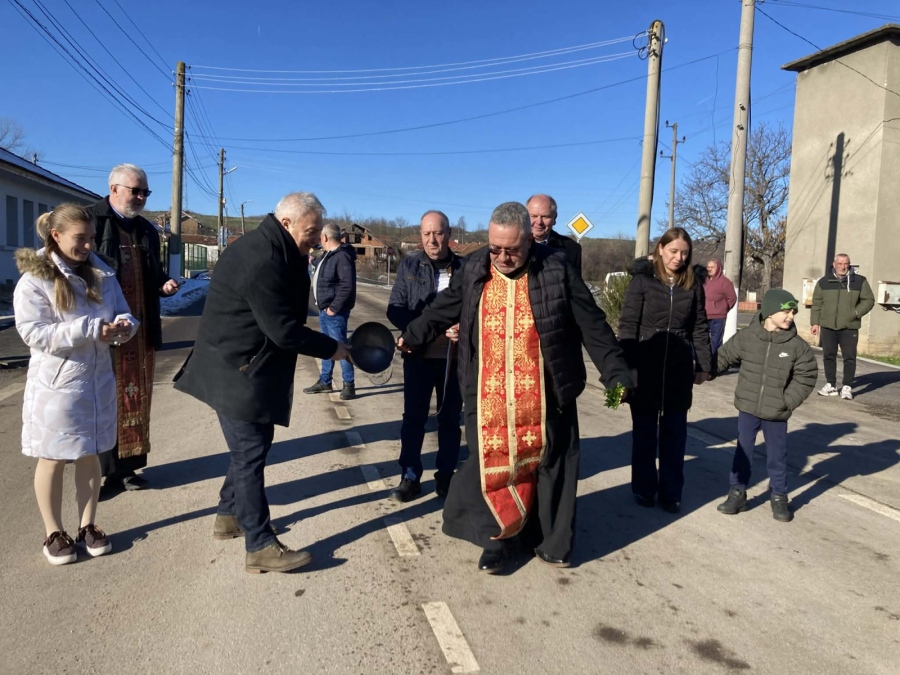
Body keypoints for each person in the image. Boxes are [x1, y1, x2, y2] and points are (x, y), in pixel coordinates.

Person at [399, 202, 632, 573]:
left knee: (549, 466)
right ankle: (498, 540)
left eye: (512, 249)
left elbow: (592, 324)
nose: (503, 257)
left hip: (546, 391)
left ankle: (550, 541)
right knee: (493, 467)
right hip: (489, 393)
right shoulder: (475, 266)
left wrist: (616, 373)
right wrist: (412, 336)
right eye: (495, 248)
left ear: (530, 241)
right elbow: (445, 307)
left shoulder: (556, 268)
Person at [174, 192, 350, 574]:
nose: (316, 238)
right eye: (311, 230)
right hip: (234, 369)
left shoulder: (277, 247)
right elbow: (284, 331)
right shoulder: (263, 258)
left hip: (245, 366)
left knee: (251, 448)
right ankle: (260, 544)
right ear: (286, 223)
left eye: (319, 231)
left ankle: (228, 516)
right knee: (250, 453)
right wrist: (333, 348)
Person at [14, 205, 139, 565]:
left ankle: (88, 525)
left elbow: (124, 312)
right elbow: (32, 333)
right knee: (52, 457)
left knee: (91, 452)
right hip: (57, 387)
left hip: (98, 381)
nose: (87, 246)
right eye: (79, 239)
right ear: (56, 236)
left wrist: (125, 327)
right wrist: (89, 328)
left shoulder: (102, 272)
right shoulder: (35, 279)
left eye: (90, 238)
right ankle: (53, 531)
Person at [89, 164, 179, 497]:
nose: (140, 197)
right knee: (105, 401)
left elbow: (152, 273)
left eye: (145, 192)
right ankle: (103, 472)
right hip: (104, 331)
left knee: (137, 398)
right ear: (114, 188)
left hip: (140, 332)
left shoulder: (147, 230)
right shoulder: (92, 222)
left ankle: (129, 469)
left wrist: (163, 285)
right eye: (135, 191)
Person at [618, 228, 712, 514]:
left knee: (675, 434)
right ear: (660, 249)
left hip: (679, 367)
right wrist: (626, 366)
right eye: (673, 251)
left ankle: (672, 492)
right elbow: (628, 325)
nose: (678, 258)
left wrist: (704, 364)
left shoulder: (693, 284)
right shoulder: (643, 281)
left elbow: (699, 326)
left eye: (684, 253)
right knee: (645, 433)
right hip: (646, 364)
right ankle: (644, 488)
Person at [716, 290, 818, 522]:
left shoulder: (796, 346)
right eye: (785, 310)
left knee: (777, 457)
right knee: (743, 452)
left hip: (776, 412)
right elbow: (724, 357)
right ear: (769, 312)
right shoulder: (747, 337)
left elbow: (807, 376)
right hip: (748, 407)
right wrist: (703, 371)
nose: (790, 315)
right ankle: (737, 494)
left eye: (793, 311)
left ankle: (780, 497)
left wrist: (786, 402)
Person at [386, 210, 465, 502]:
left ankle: (446, 476)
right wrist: (420, 329)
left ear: (449, 234)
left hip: (454, 360)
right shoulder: (409, 265)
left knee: (449, 421)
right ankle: (409, 476)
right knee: (414, 419)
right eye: (426, 234)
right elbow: (394, 308)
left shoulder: (466, 269)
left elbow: (476, 311)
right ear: (420, 235)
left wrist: (463, 327)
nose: (432, 240)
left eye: (438, 233)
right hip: (418, 357)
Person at [303, 222, 357, 400]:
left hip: (334, 312)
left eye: (320, 237)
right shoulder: (329, 255)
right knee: (327, 347)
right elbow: (324, 269)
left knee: (341, 348)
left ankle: (349, 385)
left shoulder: (342, 256)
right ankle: (325, 382)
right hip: (324, 310)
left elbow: (347, 286)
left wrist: (333, 308)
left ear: (325, 237)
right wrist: (314, 260)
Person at [810, 253, 875, 400]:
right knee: (828, 356)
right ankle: (831, 385)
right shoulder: (824, 282)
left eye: (845, 264)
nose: (842, 267)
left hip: (849, 326)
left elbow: (869, 300)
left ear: (849, 264)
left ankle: (847, 387)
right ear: (834, 264)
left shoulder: (859, 281)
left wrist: (856, 312)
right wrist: (815, 322)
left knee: (849, 357)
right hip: (828, 326)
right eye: (839, 264)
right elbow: (817, 304)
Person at [526, 194, 582, 275]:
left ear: (554, 218)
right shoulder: (513, 246)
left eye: (545, 217)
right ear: (525, 217)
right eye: (534, 216)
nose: (539, 222)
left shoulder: (572, 248)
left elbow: (575, 285)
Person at [704, 258, 737, 361]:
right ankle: (703, 364)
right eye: (708, 267)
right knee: (703, 341)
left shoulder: (725, 282)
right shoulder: (703, 280)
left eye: (712, 267)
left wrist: (723, 309)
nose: (709, 269)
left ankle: (714, 365)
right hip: (703, 315)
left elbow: (732, 298)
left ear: (718, 268)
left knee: (716, 341)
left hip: (718, 317)